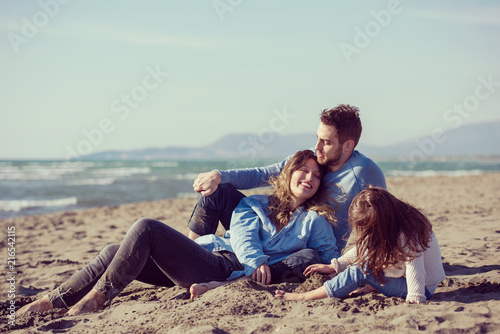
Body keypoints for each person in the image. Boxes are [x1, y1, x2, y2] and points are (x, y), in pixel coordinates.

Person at [17, 150, 338, 316]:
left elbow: (328, 256)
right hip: (209, 257)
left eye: (315, 175)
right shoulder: (254, 203)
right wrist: (256, 262)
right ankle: (50, 301)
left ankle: (98, 299)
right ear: (288, 173)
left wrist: (331, 265)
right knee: (115, 251)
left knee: (145, 227)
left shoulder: (314, 221)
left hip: (224, 268)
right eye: (303, 170)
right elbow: (242, 235)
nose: (308, 178)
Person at [189, 104, 387, 252]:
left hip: (303, 248)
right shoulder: (311, 158)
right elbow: (263, 174)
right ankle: (190, 251)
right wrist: (219, 175)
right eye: (317, 137)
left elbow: (383, 225)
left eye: (326, 142)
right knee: (218, 190)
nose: (317, 147)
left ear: (348, 146)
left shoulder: (365, 172)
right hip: (270, 229)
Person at [274, 187, 446, 304]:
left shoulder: (407, 232)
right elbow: (363, 247)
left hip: (420, 287)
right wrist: (334, 266)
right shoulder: (395, 218)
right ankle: (370, 285)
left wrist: (416, 295)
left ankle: (304, 297)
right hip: (402, 277)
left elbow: (414, 266)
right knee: (363, 262)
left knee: (361, 270)